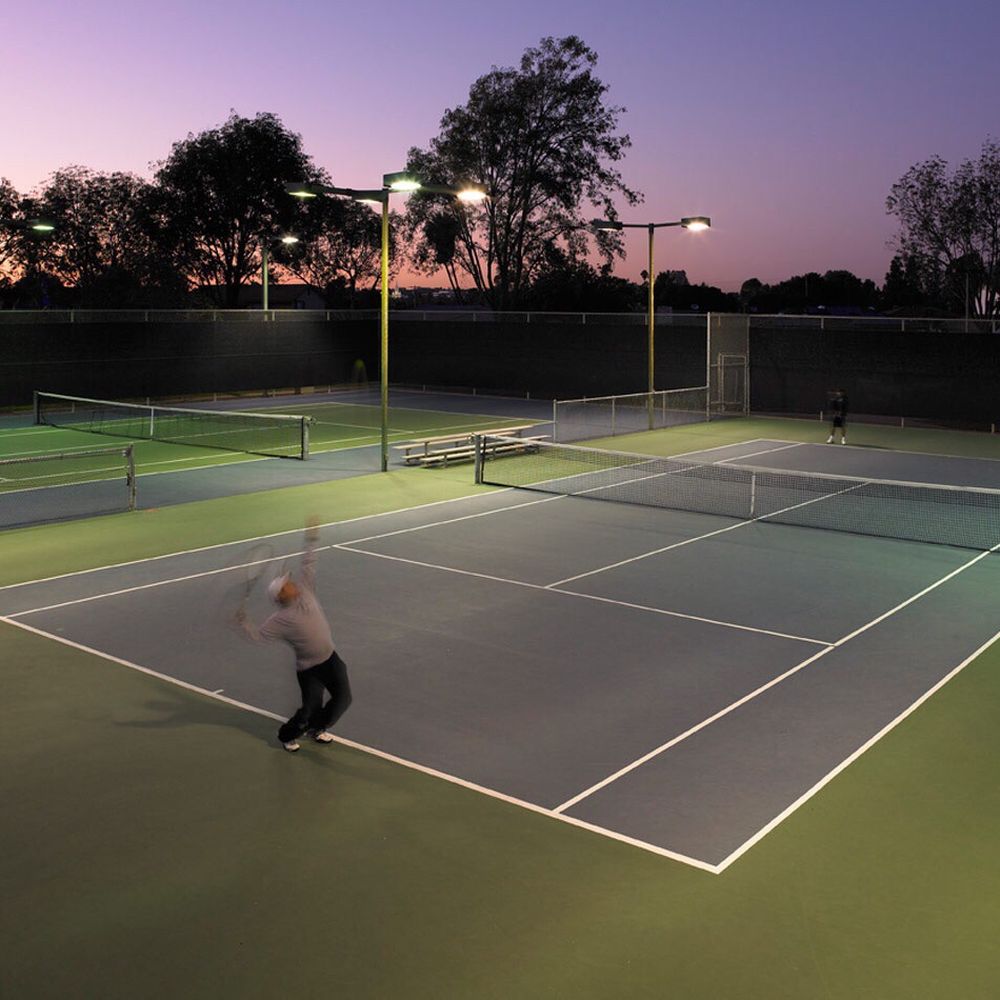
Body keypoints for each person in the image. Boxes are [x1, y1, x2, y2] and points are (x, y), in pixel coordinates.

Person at [236, 521, 351, 752]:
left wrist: (311, 539)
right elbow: (259, 636)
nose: (291, 583)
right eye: (286, 584)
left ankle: (317, 728)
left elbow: (309, 563)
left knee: (343, 698)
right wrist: (243, 622)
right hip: (309, 670)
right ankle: (287, 735)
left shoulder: (305, 590)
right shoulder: (280, 620)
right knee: (308, 708)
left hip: (331, 659)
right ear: (281, 596)